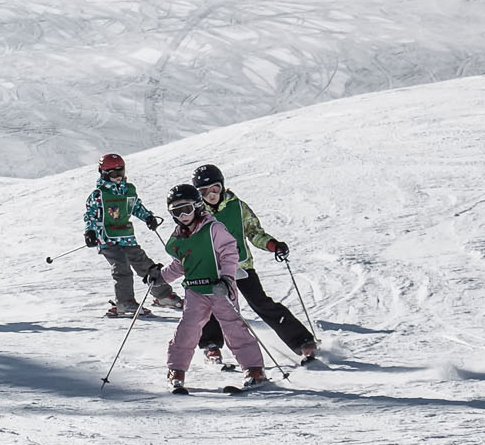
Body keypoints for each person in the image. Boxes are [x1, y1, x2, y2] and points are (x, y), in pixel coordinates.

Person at [191, 164, 319, 363]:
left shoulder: (237, 206)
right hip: (213, 269)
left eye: (215, 188)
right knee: (211, 307)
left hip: (242, 266)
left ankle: (302, 341)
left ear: (222, 186)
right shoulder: (197, 214)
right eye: (204, 192)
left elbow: (254, 232)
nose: (211, 195)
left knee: (260, 302)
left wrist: (272, 245)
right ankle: (211, 344)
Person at [157, 184, 270, 393]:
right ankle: (176, 370)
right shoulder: (178, 238)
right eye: (176, 211)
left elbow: (229, 253)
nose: (182, 216)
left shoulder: (213, 228)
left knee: (233, 327)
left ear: (198, 206)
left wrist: (227, 280)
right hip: (195, 290)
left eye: (187, 209)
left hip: (219, 288)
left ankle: (254, 369)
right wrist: (160, 277)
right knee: (187, 329)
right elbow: (180, 265)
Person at [85, 153, 182, 317]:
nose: (118, 178)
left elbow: (136, 206)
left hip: (127, 236)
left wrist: (148, 217)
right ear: (103, 174)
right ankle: (125, 302)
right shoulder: (98, 195)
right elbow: (91, 216)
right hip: (107, 238)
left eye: (120, 173)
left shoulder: (128, 190)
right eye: (113, 174)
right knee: (121, 267)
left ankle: (163, 295)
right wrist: (90, 232)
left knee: (146, 265)